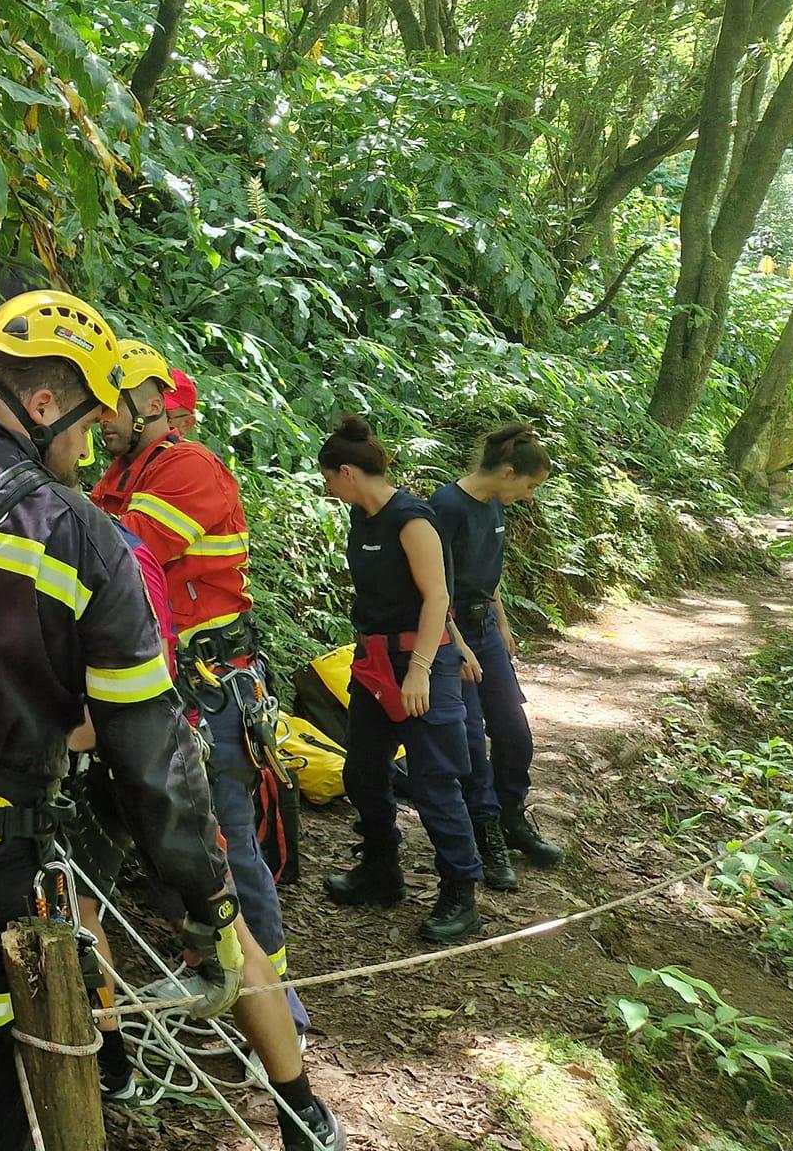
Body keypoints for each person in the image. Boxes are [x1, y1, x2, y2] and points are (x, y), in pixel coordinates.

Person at [0, 289, 240, 1151]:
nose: (87, 447)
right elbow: (151, 751)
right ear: (40, 403)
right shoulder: (81, 539)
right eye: (85, 424)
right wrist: (206, 897)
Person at [88, 345, 344, 1151]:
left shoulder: (187, 468)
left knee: (226, 846)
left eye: (109, 401)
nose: (98, 416)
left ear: (150, 403)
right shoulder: (123, 473)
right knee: (165, 856)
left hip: (209, 690)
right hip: (162, 687)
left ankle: (279, 1000)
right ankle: (221, 987)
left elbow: (118, 557)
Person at [317, 415, 485, 943]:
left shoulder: (412, 519)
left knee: (434, 781)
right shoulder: (361, 519)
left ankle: (461, 892)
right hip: (372, 663)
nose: (325, 486)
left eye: (327, 477)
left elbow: (437, 597)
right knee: (363, 771)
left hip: (420, 667)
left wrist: (423, 670)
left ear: (346, 472)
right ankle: (380, 871)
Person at [432, 423, 562, 884]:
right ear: (508, 473)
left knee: (514, 733)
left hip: (484, 629)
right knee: (469, 740)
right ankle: (485, 836)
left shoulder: (494, 507)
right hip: (449, 633)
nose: (530, 496)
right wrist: (458, 644)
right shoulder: (445, 507)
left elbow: (491, 573)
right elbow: (431, 585)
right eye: (530, 486)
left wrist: (501, 624)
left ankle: (512, 818)